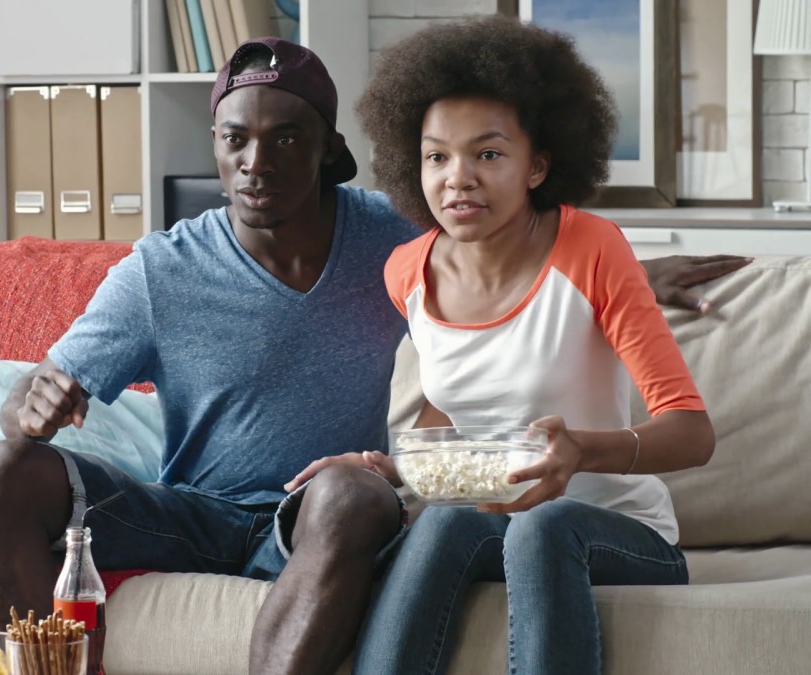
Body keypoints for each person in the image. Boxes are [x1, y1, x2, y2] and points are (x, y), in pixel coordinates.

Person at [0, 36, 746, 675]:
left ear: (332, 150)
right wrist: (27, 403)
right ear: (215, 145)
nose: (255, 163)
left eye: (285, 139)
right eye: (235, 140)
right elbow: (43, 392)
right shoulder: (164, 270)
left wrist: (625, 278)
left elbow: (513, 255)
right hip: (190, 513)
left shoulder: (390, 239)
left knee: (353, 492)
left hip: (324, 516)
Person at [298, 15, 714, 674]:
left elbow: (692, 433)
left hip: (622, 534)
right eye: (437, 156)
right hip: (502, 524)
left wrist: (579, 452)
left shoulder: (591, 248)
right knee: (439, 521)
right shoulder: (407, 270)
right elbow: (453, 405)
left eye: (487, 154)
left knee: (548, 523)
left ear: (537, 165)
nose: (457, 178)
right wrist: (397, 465)